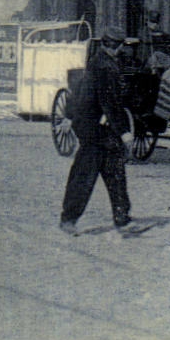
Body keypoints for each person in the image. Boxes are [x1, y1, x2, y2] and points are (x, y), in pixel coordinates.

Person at [60, 24, 137, 237]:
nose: (120, 50)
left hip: (101, 126)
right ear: (114, 46)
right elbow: (109, 101)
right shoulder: (104, 66)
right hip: (92, 127)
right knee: (85, 174)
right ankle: (68, 219)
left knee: (115, 172)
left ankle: (122, 219)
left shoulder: (102, 61)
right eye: (119, 46)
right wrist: (124, 131)